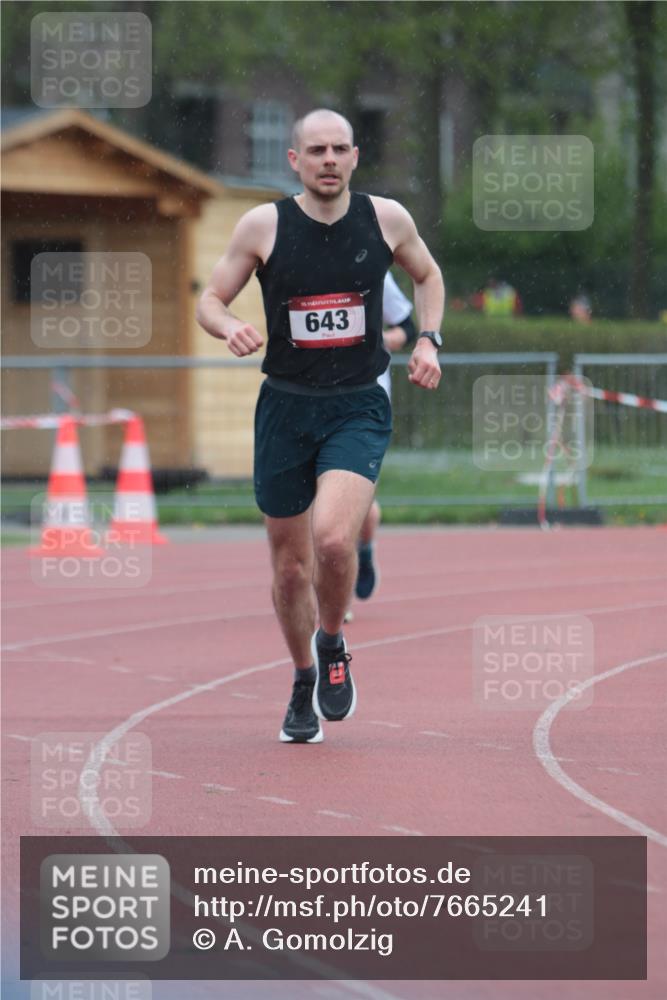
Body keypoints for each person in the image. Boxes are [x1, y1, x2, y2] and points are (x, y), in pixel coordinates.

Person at [196, 108, 444, 744]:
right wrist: (229, 326)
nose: (329, 160)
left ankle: (331, 643)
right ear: (295, 160)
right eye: (316, 150)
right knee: (289, 568)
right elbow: (210, 299)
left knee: (333, 540)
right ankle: (303, 674)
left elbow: (428, 275)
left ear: (355, 156)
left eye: (339, 149)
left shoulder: (386, 218)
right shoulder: (263, 225)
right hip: (285, 406)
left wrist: (428, 340)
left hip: (358, 405)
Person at [353, 271, 417, 605]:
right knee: (317, 503)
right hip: (312, 397)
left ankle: (363, 550)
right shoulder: (298, 259)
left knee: (358, 503)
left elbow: (408, 326)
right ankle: (333, 599)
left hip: (367, 401)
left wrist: (383, 339)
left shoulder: (372, 264)